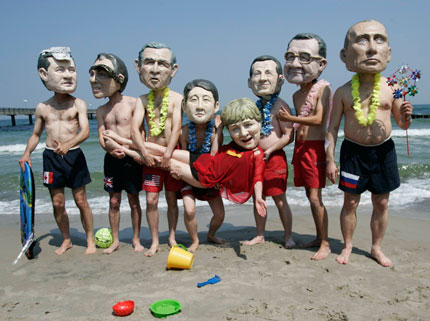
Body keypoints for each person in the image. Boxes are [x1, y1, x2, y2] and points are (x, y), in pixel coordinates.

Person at [325, 20, 413, 267]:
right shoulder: (342, 92)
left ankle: (376, 248)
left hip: (384, 152)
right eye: (363, 40)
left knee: (381, 202)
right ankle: (348, 246)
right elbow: (331, 128)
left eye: (379, 40)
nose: (372, 49)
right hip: (353, 153)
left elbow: (402, 125)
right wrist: (330, 159)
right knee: (350, 201)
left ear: (389, 53)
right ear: (345, 55)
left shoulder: (393, 87)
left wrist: (406, 116)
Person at [107, 98, 267, 216]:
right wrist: (218, 131)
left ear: (260, 123)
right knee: (162, 150)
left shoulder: (256, 154)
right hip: (202, 160)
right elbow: (214, 155)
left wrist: (258, 197)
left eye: (248, 125)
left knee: (163, 162)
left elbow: (258, 178)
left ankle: (124, 148)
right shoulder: (232, 146)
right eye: (235, 129)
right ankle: (123, 140)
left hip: (204, 177)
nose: (244, 133)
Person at [19, 47, 96, 255]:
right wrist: (26, 154)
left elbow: (86, 131)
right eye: (61, 70)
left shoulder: (78, 104)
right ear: (45, 75)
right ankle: (67, 239)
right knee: (57, 202)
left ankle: (90, 239)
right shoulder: (42, 107)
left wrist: (68, 144)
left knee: (81, 201)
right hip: (51, 157)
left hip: (73, 155)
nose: (68, 75)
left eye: (71, 69)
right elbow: (36, 135)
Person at [279, 33, 331, 260]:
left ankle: (326, 243)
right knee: (309, 195)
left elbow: (319, 119)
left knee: (315, 197)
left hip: (315, 148)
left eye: (304, 57)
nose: (295, 63)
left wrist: (292, 118)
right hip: (300, 148)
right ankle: (319, 237)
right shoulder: (296, 93)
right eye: (290, 57)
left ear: (321, 65)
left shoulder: (323, 89)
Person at [131, 42, 183, 256]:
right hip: (151, 158)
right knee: (151, 199)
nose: (154, 69)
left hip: (171, 156)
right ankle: (154, 241)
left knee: (171, 198)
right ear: (139, 67)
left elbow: (178, 126)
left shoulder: (177, 98)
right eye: (149, 62)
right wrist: (143, 152)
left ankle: (171, 236)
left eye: (161, 63)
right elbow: (135, 128)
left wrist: (169, 153)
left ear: (173, 69)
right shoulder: (142, 100)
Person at [90, 53, 144, 254]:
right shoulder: (101, 110)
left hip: (132, 159)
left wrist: (137, 152)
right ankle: (115, 240)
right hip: (112, 161)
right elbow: (102, 136)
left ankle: (136, 238)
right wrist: (110, 149)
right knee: (113, 201)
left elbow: (141, 132)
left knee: (133, 200)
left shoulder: (133, 103)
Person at [245, 55, 295, 248]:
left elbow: (288, 135)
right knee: (258, 198)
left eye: (268, 73)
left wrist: (270, 150)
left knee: (279, 198)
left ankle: (288, 235)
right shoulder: (254, 107)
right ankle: (260, 234)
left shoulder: (281, 105)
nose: (262, 78)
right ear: (250, 83)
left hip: (274, 159)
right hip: (256, 158)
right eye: (257, 74)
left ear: (280, 79)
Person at [178, 79, 226, 251]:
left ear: (215, 106)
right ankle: (195, 240)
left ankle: (211, 234)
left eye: (205, 100)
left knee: (220, 215)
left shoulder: (214, 132)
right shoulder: (183, 131)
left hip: (208, 176)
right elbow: (183, 155)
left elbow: (214, 155)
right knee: (189, 211)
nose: (199, 106)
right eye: (194, 100)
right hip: (189, 175)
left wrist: (219, 131)